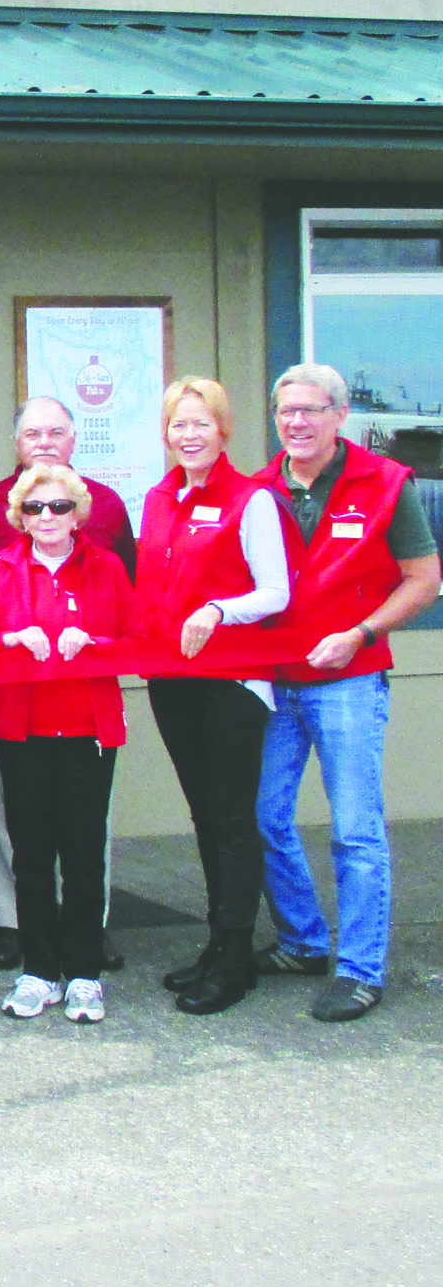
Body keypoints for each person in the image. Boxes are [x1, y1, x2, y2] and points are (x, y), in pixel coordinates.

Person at [252, 363, 440, 1022]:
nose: (296, 422)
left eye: (309, 410)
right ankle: (304, 939)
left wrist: (360, 633)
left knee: (356, 829)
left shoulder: (385, 484)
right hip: (276, 682)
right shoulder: (258, 491)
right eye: (285, 411)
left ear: (339, 415)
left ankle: (360, 970)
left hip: (349, 681)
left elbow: (423, 580)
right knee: (263, 816)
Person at [0, 396, 137, 974]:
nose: (44, 441)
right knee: (12, 816)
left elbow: (128, 607)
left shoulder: (107, 510)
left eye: (56, 431)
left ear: (74, 437)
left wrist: (96, 643)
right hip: (11, 698)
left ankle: (89, 930)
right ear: (16, 441)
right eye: (33, 432)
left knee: (85, 830)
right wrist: (9, 639)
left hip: (86, 702)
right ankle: (12, 924)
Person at [138, 376, 290, 1016]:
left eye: (201, 423)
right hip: (172, 681)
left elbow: (275, 591)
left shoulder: (250, 499)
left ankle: (235, 956)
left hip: (232, 682)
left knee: (231, 819)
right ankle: (216, 943)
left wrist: (219, 610)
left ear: (222, 429)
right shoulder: (158, 498)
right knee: (204, 815)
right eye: (178, 424)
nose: (189, 435)